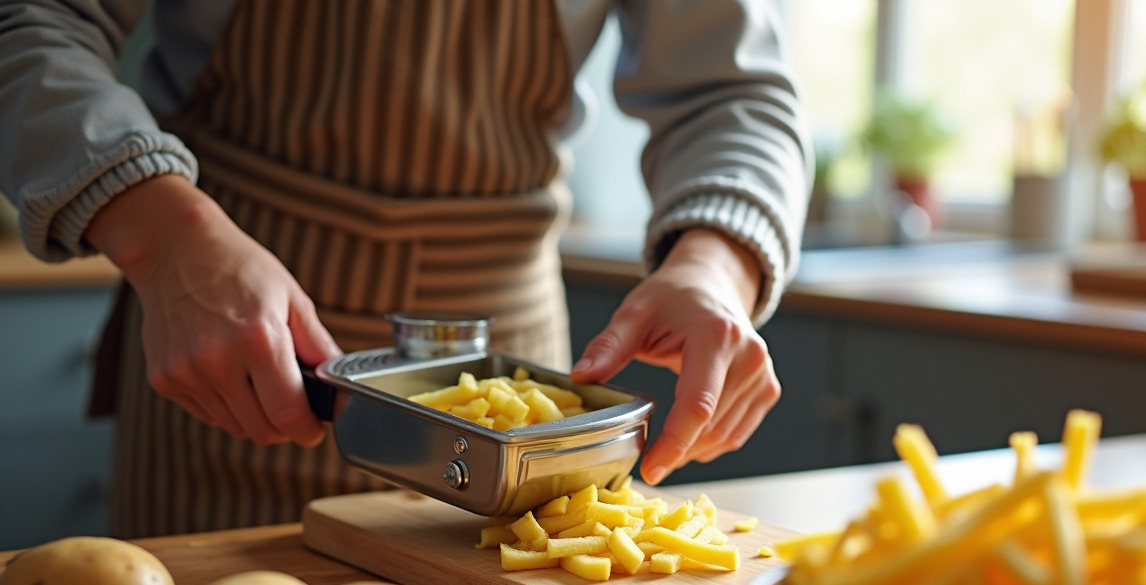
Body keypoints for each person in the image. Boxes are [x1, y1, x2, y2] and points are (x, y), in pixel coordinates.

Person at [0, 0, 810, 538]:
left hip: (513, 389)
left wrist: (712, 264)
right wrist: (164, 237)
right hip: (227, 342)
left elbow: (734, 94)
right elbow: (29, 21)